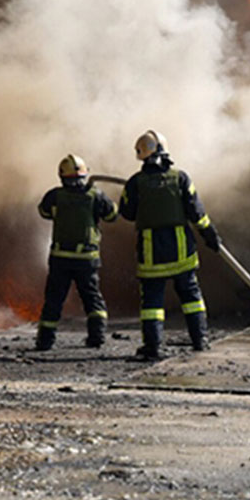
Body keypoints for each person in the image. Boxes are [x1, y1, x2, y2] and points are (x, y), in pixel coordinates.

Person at [119, 130, 221, 360]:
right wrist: (210, 235)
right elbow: (197, 213)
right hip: (181, 250)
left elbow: (126, 213)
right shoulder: (181, 178)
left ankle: (153, 347)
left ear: (141, 155)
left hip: (151, 252)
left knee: (152, 303)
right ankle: (200, 341)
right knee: (191, 297)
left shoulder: (135, 183)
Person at [35, 153, 120, 351]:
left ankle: (45, 341)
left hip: (60, 258)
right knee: (92, 298)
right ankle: (96, 337)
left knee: (54, 300)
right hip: (86, 259)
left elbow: (44, 212)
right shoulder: (95, 196)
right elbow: (112, 215)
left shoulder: (54, 196)